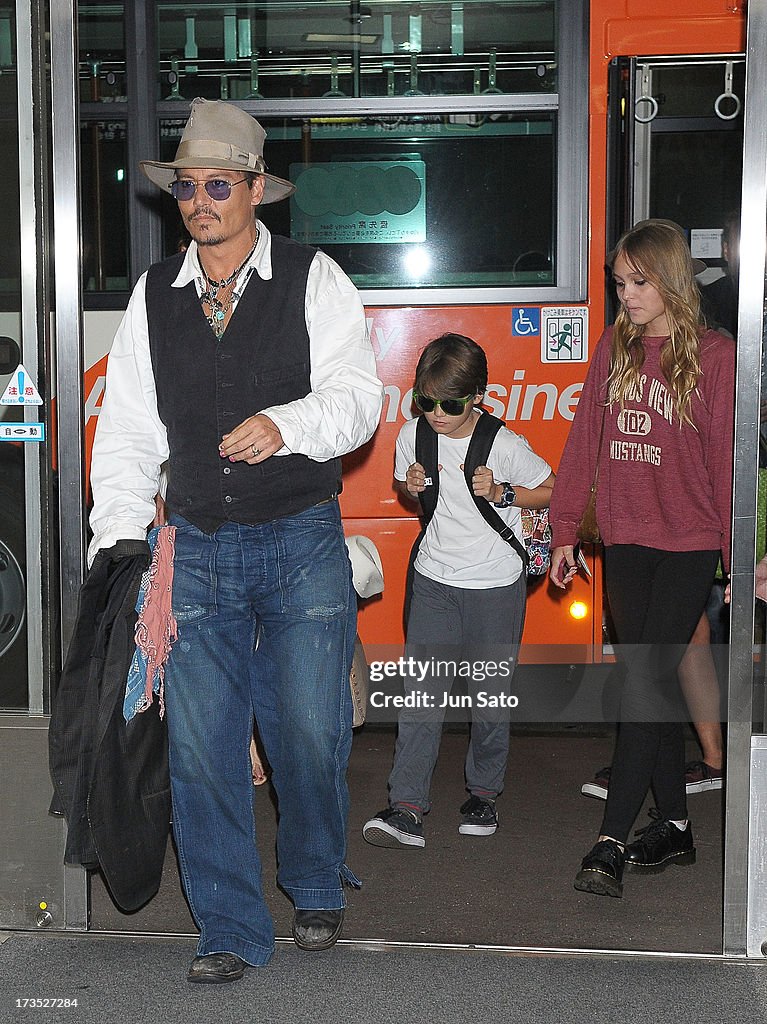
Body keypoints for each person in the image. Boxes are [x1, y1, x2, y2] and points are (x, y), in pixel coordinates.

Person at [88, 98, 383, 982]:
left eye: (220, 184)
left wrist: (284, 424)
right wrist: (117, 546)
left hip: (301, 540)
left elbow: (359, 398)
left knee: (308, 733)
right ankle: (225, 926)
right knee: (201, 750)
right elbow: (130, 431)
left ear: (258, 190)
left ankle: (315, 879)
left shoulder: (314, 277)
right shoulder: (153, 296)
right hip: (200, 549)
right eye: (186, 185)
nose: (200, 200)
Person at [549, 219, 734, 899]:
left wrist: (736, 559)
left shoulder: (715, 357)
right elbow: (583, 443)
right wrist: (564, 527)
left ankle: (609, 841)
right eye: (617, 283)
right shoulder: (613, 348)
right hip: (625, 537)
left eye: (637, 281)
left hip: (688, 540)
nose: (624, 294)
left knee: (645, 684)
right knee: (646, 683)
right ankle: (677, 828)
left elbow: (726, 466)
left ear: (669, 279)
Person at [362, 333, 554, 848]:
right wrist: (411, 484)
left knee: (488, 700)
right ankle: (406, 806)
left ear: (479, 397)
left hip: (494, 585)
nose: (438, 415)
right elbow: (407, 484)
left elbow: (553, 488)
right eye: (427, 402)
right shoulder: (413, 436)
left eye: (451, 404)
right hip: (433, 582)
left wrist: (504, 492)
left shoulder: (505, 445)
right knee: (422, 698)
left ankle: (484, 794)